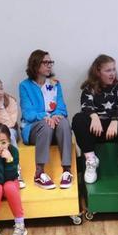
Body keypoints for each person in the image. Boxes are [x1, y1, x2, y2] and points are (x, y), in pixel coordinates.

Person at [73, 54, 118, 184]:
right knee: (78, 119)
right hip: (97, 131)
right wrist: (94, 117)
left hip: (116, 130)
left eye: (113, 69)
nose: (112, 73)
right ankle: (91, 159)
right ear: (98, 72)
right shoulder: (90, 88)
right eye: (108, 70)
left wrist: (115, 120)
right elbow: (86, 105)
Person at [18, 49, 74, 189]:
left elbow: (62, 108)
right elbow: (28, 113)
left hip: (54, 129)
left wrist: (55, 115)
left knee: (63, 122)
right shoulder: (24, 86)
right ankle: (39, 173)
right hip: (33, 130)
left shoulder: (55, 84)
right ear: (35, 65)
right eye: (46, 62)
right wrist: (46, 117)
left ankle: (67, 171)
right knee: (46, 124)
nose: (50, 65)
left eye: (51, 62)